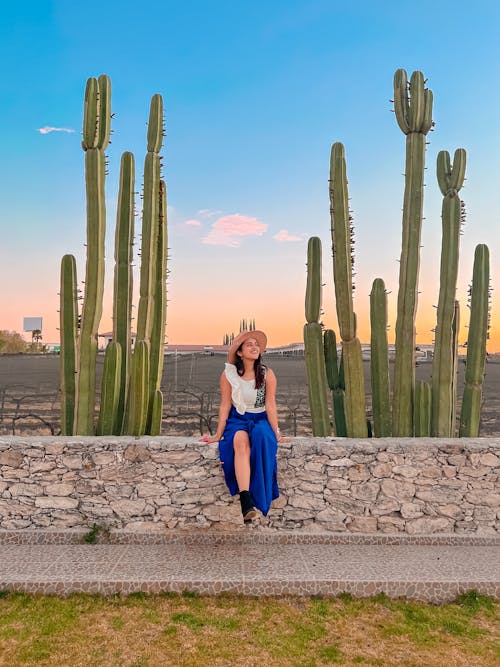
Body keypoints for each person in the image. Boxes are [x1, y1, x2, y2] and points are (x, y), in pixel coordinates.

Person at [201, 330, 287, 523]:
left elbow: (271, 404)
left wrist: (277, 433)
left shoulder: (267, 374)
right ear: (239, 352)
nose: (254, 347)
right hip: (237, 419)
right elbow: (225, 404)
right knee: (240, 442)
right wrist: (217, 434)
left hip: (260, 418)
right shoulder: (229, 375)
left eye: (256, 344)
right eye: (249, 344)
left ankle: (258, 494)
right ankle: (246, 499)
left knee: (263, 438)